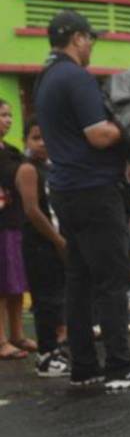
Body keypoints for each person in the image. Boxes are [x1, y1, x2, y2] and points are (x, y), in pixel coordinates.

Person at [34, 9, 130, 389]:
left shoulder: (46, 78)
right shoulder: (75, 77)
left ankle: (85, 366)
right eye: (90, 38)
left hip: (66, 190)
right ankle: (121, 366)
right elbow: (99, 135)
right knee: (112, 277)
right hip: (92, 189)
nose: (91, 46)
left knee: (80, 279)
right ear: (76, 38)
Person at [15, 118, 69, 377]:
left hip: (54, 242)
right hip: (39, 245)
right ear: (26, 140)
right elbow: (32, 211)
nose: (42, 142)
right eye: (36, 137)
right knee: (45, 301)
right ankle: (45, 356)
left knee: (57, 298)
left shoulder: (50, 168)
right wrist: (58, 241)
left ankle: (56, 348)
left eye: (46, 136)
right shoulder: (28, 169)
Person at [0, 99, 33, 360]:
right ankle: (1, 341)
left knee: (16, 282)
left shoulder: (12, 151)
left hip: (15, 222)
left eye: (9, 115)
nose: (8, 120)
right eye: (2, 115)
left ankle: (18, 334)